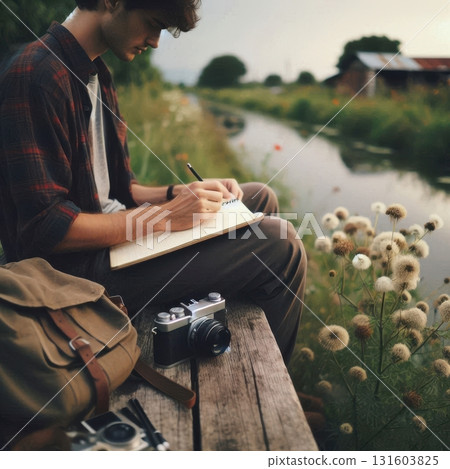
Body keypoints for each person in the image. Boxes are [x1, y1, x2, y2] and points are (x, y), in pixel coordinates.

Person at [0, 0, 307, 364]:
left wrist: (182, 194)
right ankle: (271, 381)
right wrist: (165, 218)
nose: (157, 41)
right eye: (153, 23)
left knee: (258, 197)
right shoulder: (36, 75)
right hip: (73, 274)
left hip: (115, 242)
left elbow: (121, 191)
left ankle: (253, 354)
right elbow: (45, 230)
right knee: (281, 244)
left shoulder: (96, 74)